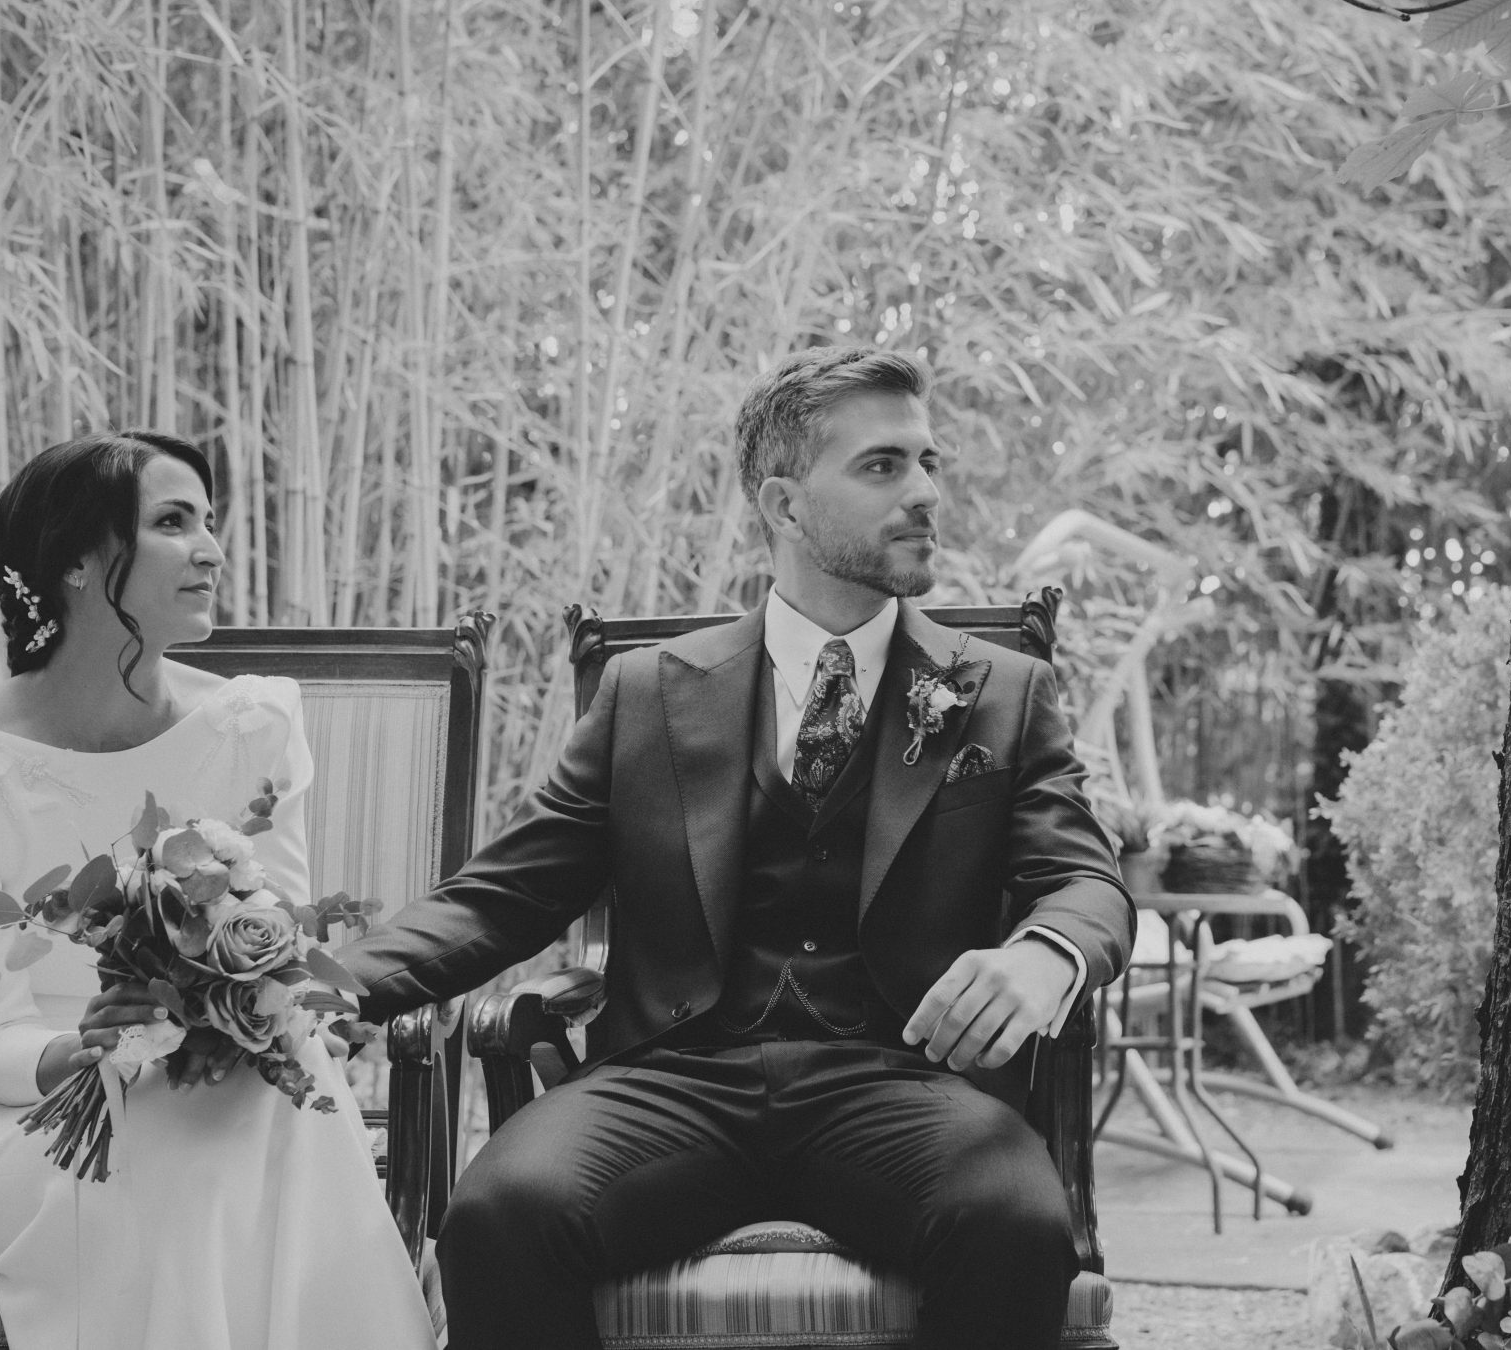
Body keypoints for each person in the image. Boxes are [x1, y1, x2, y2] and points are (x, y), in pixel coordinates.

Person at [344, 347, 1133, 1350]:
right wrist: (321, 986)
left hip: (902, 1077)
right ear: (784, 502)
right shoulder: (648, 691)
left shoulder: (1002, 690)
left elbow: (1084, 881)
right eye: (884, 466)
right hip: (676, 1076)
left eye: (928, 461)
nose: (927, 491)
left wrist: (1042, 952)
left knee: (1016, 1222)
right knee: (499, 1215)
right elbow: (502, 895)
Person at [0, 431, 436, 1350]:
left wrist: (252, 1011)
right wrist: (87, 1046)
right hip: (20, 1117)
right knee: (188, 1151)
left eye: (211, 521)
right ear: (80, 562)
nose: (212, 546)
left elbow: (281, 948)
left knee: (256, 1109)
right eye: (174, 521)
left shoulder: (253, 724)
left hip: (224, 1088)